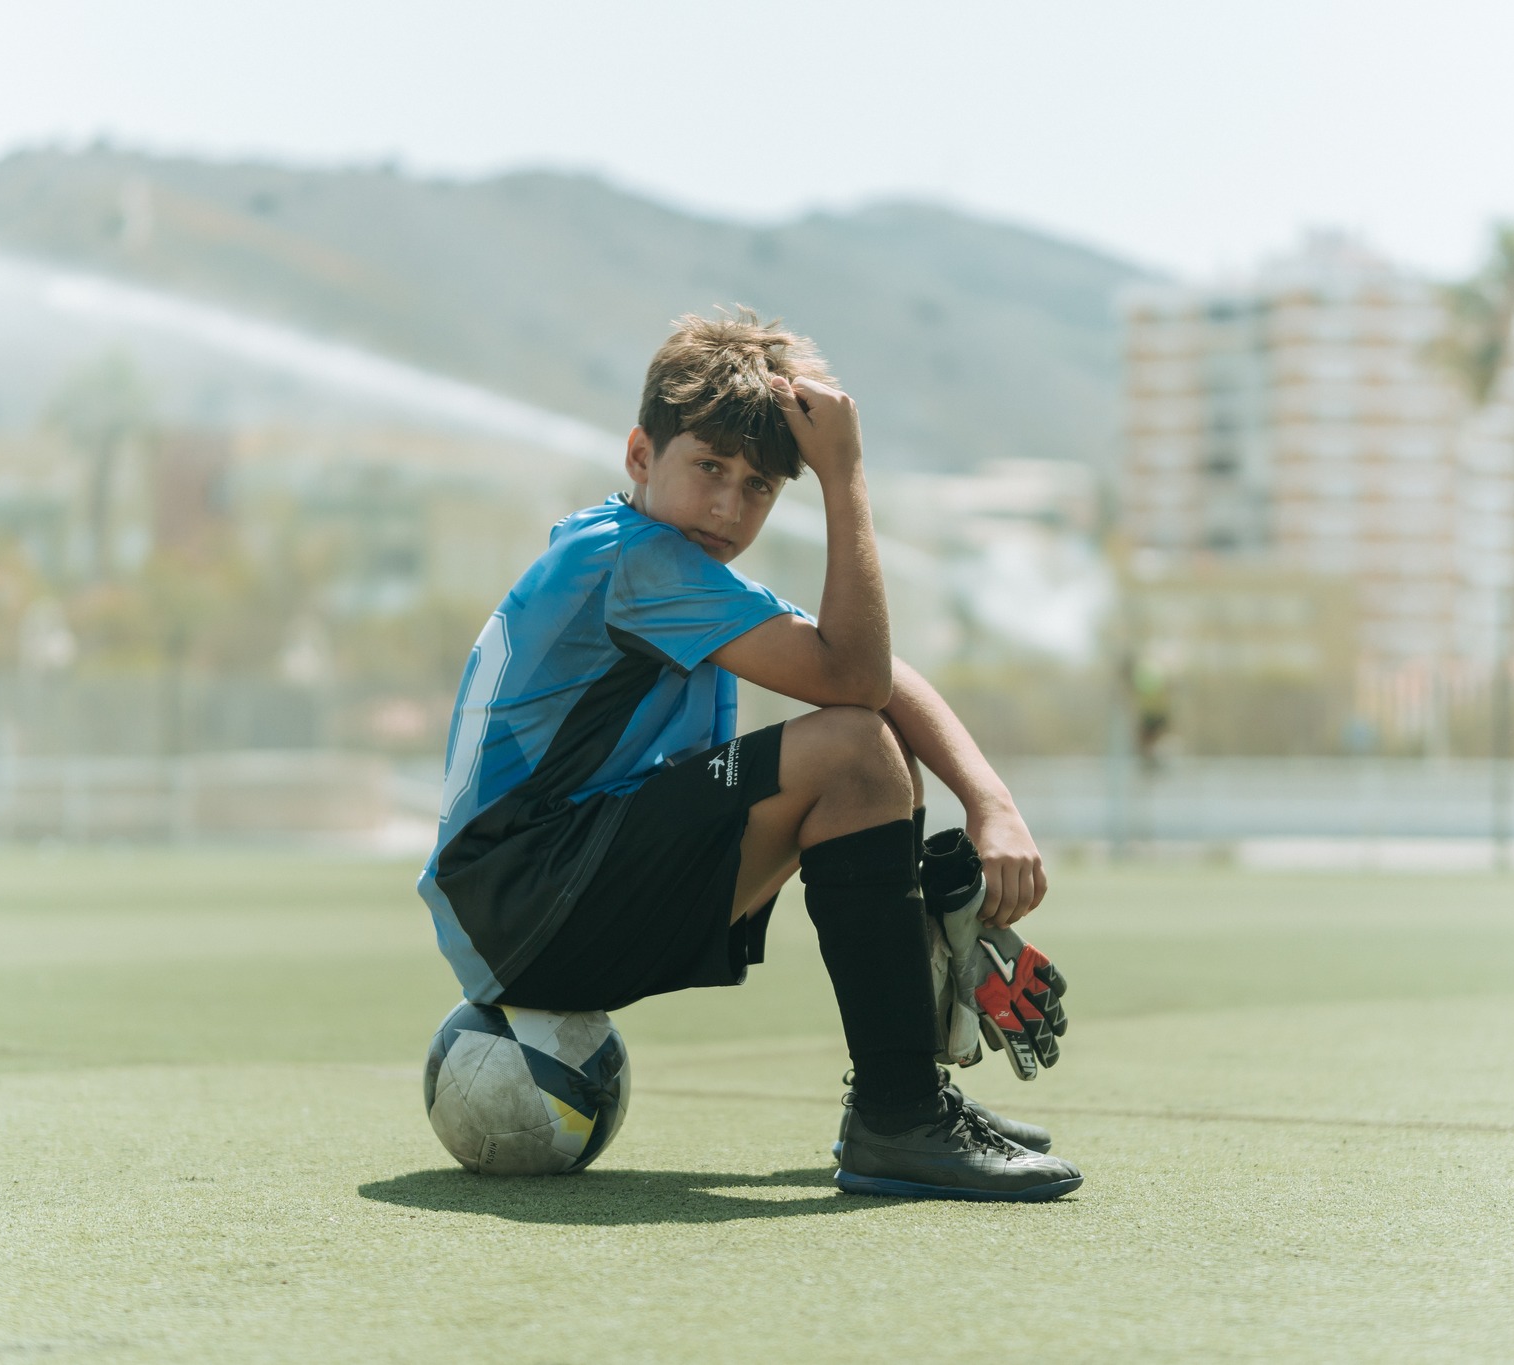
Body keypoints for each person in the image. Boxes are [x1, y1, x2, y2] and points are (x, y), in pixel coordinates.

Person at [418, 312, 1078, 1201]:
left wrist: (990, 802)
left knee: (868, 752)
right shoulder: (637, 562)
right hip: (530, 895)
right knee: (853, 752)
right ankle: (897, 1115)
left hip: (541, 906)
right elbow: (856, 674)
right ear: (640, 455)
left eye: (761, 486)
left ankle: (903, 1100)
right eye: (711, 469)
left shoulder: (660, 556)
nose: (731, 506)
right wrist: (844, 474)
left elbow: (874, 672)